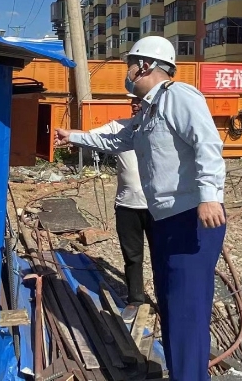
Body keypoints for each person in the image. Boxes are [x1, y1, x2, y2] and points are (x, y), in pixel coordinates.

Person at [55, 36, 226, 381]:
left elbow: (207, 143)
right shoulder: (148, 110)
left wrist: (210, 195)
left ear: (145, 65)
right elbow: (116, 139)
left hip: (190, 217)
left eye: (130, 65)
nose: (127, 72)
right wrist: (74, 136)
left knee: (187, 311)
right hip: (165, 219)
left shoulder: (179, 96)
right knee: (172, 306)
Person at [83, 94, 151, 322]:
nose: (135, 104)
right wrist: (69, 136)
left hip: (159, 207)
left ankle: (168, 300)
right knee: (132, 256)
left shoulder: (162, 129)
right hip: (127, 205)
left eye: (140, 100)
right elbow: (91, 137)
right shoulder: (118, 127)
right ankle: (135, 299)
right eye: (133, 100)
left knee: (163, 257)